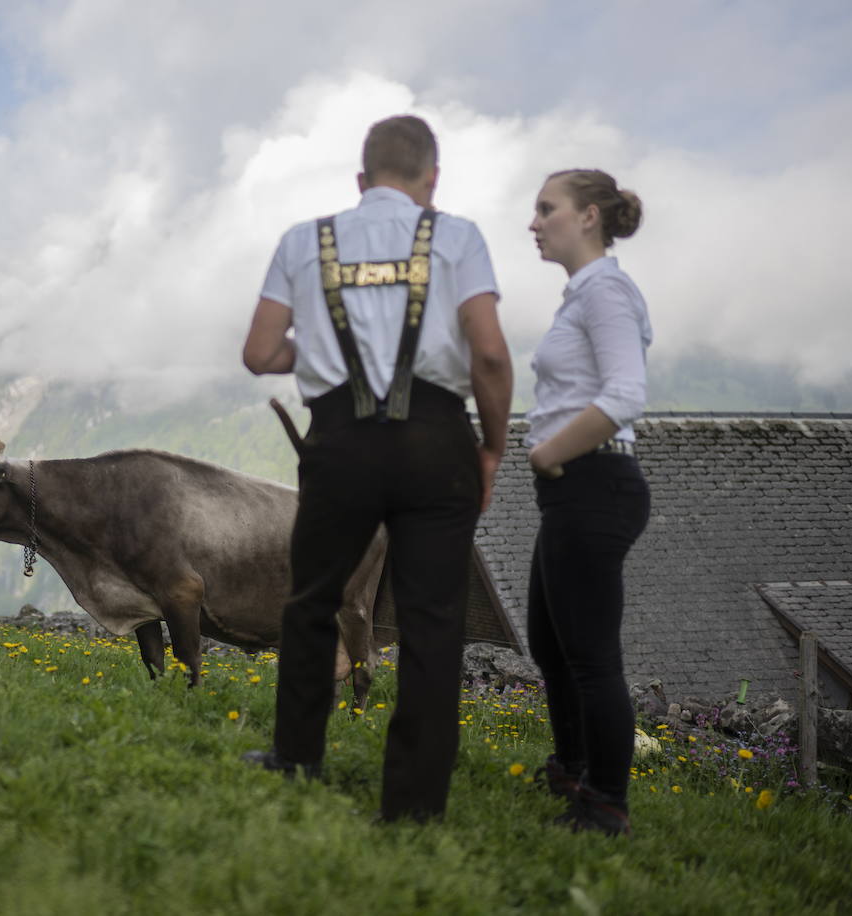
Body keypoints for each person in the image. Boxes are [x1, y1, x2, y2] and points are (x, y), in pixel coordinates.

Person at [239, 114, 513, 822]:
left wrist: (331, 354)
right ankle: (415, 803)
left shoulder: (307, 241)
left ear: (360, 180)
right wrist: (490, 448)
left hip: (339, 440)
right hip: (435, 440)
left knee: (312, 598)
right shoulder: (456, 237)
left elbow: (262, 352)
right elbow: (487, 353)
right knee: (431, 618)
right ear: (432, 179)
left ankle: (296, 756)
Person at [523, 168, 652, 836]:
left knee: (592, 656)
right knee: (550, 641)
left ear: (589, 217)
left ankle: (605, 804)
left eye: (547, 209)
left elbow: (626, 393)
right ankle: (572, 771)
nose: (534, 222)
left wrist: (549, 452)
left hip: (594, 485)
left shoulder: (605, 290)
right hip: (576, 491)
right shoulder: (583, 295)